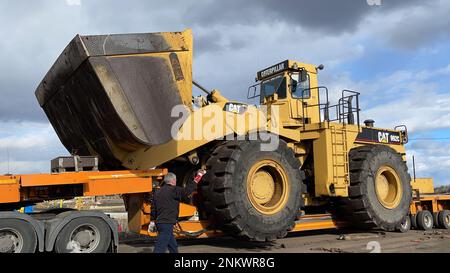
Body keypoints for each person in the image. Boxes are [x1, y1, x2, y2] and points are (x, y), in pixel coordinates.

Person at [150, 170, 206, 253]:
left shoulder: (157, 193)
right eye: (175, 180)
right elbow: (187, 192)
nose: (176, 182)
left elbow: (153, 208)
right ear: (172, 180)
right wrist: (198, 178)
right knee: (160, 247)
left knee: (173, 246)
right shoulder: (174, 190)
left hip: (160, 223)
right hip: (167, 223)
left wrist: (152, 221)